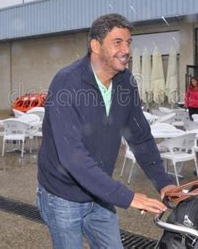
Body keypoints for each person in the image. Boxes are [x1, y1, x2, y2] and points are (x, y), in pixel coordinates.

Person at [37, 13, 175, 248]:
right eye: (117, 42)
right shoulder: (66, 83)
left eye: (129, 42)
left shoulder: (126, 81)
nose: (126, 50)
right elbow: (73, 158)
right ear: (95, 46)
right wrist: (128, 197)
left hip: (100, 194)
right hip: (62, 196)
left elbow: (140, 137)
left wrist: (164, 182)